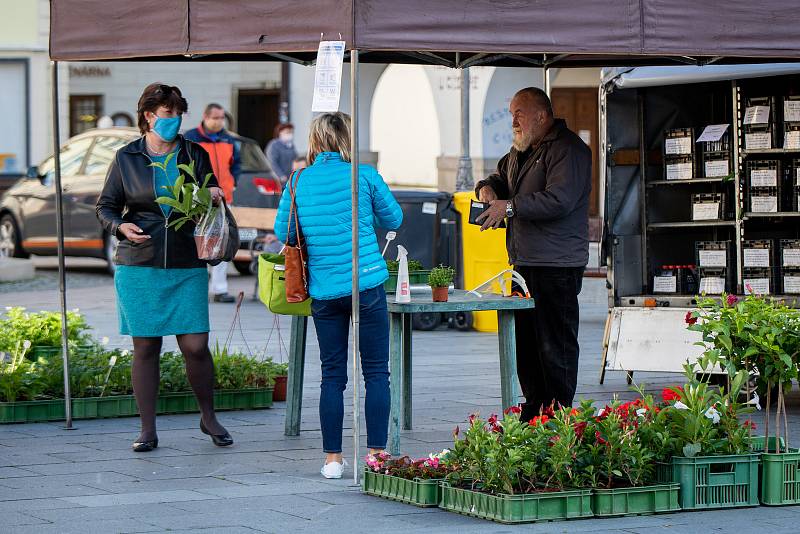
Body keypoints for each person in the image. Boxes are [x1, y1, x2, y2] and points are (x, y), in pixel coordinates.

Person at [96, 83, 234, 452]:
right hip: (140, 263)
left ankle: (208, 416)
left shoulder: (195, 152)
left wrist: (213, 194)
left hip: (187, 260)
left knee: (196, 345)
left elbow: (209, 192)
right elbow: (106, 207)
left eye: (178, 113)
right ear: (149, 115)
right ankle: (147, 429)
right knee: (146, 348)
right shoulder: (127, 157)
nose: (174, 120)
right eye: (168, 113)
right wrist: (120, 226)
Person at [274, 112, 403, 479]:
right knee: (377, 372)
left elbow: (283, 230)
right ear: (348, 137)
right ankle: (377, 455)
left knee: (332, 375)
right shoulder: (363, 175)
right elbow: (393, 220)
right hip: (366, 285)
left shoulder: (297, 180)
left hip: (324, 290)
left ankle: (332, 459)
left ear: (314, 141)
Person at [475, 87, 591, 422]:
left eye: (519, 113)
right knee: (525, 344)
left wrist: (508, 206)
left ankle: (559, 415)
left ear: (541, 115)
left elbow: (560, 199)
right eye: (512, 113)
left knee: (555, 344)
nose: (513, 120)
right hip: (524, 262)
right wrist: (486, 188)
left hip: (557, 264)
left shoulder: (569, 150)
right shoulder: (522, 149)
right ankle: (534, 409)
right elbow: (501, 177)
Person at [184, 103, 241, 303]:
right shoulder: (191, 138)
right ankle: (194, 288)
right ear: (206, 117)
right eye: (215, 118)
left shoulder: (229, 139)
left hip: (223, 199)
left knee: (220, 243)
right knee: (195, 243)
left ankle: (219, 289)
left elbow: (236, 164)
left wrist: (232, 183)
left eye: (221, 118)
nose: (219, 122)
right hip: (198, 200)